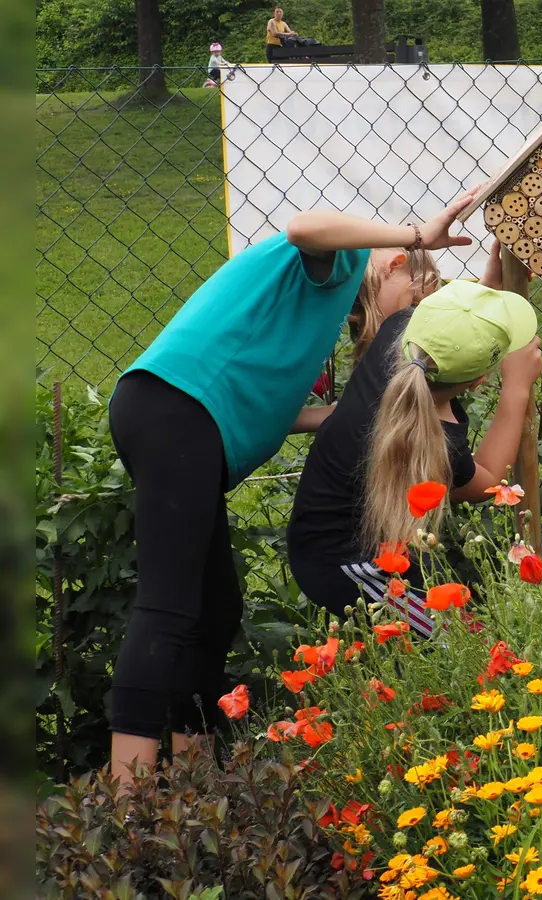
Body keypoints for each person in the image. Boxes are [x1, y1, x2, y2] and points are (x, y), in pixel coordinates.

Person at [105, 188, 481, 788]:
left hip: (180, 419)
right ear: (395, 266)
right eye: (415, 298)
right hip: (177, 411)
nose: (410, 320)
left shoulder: (320, 305)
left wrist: (340, 415)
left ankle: (192, 780)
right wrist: (416, 233)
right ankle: (125, 798)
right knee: (169, 605)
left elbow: (276, 409)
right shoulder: (340, 263)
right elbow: (304, 225)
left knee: (215, 607)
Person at [289, 266, 542, 634]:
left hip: (353, 539)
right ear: (478, 382)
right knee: (461, 645)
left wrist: (489, 288)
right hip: (346, 563)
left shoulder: (398, 333)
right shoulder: (441, 443)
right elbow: (485, 482)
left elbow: (450, 332)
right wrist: (516, 389)